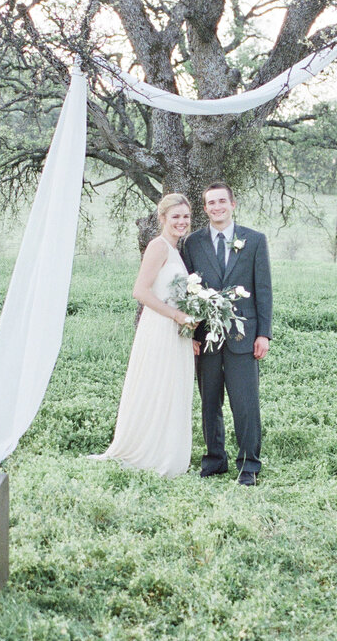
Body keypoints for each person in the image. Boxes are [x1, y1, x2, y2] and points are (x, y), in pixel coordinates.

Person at [89, 193, 196, 478]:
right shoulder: (158, 247)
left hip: (177, 330)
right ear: (162, 219)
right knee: (156, 385)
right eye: (175, 217)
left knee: (171, 387)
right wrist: (176, 315)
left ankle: (166, 448)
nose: (181, 222)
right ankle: (149, 450)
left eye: (185, 217)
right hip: (160, 327)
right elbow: (140, 291)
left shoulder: (177, 250)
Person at [181, 182, 272, 486]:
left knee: (245, 403)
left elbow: (263, 290)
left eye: (222, 201)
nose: (216, 207)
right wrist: (192, 333)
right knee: (209, 401)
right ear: (204, 208)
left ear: (233, 204)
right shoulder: (192, 243)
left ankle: (249, 466)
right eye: (210, 203)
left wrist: (264, 334)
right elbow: (187, 290)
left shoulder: (255, 240)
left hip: (243, 337)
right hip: (205, 336)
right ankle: (214, 460)